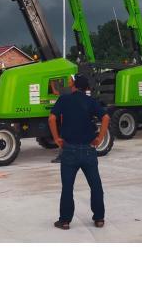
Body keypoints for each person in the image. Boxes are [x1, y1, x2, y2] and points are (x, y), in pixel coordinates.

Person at [48, 73, 110, 230]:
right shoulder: (91, 101)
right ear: (86, 88)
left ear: (74, 84)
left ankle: (65, 221)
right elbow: (106, 118)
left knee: (68, 187)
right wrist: (100, 139)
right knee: (95, 185)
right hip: (89, 150)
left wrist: (56, 138)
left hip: (69, 150)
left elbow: (51, 119)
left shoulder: (64, 99)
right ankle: (99, 218)